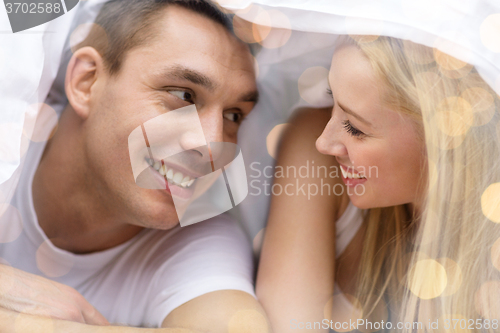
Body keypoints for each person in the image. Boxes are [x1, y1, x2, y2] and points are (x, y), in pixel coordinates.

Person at [0, 0, 271, 332]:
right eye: (184, 95)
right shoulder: (9, 133)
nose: (211, 145)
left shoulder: (199, 240)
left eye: (233, 116)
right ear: (87, 82)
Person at [256, 35, 500, 332]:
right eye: (332, 97)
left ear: (445, 139)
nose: (324, 142)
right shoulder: (313, 151)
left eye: (355, 128)